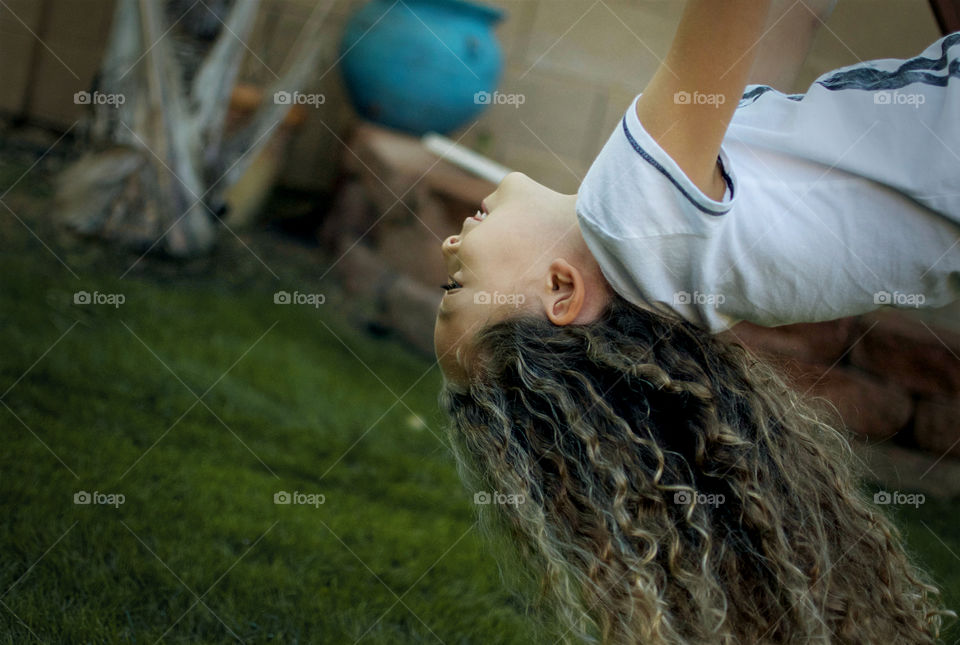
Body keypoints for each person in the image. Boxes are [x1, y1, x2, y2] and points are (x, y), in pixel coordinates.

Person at [435, 1, 957, 642]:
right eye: (456, 286)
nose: (448, 248)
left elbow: (790, 15)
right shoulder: (632, 217)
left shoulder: (685, 267)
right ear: (560, 291)